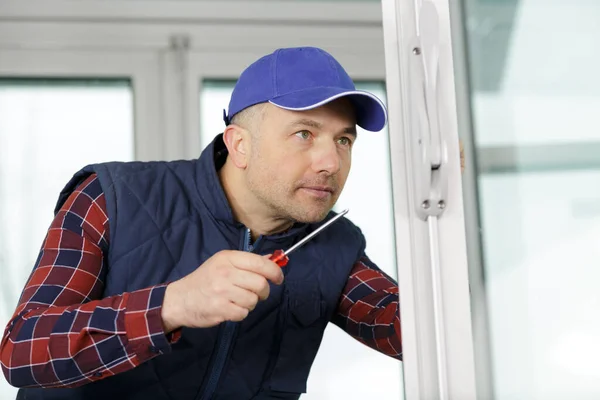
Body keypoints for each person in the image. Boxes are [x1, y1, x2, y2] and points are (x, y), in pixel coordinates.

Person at [1, 46, 401, 400]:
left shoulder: (337, 243)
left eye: (343, 141)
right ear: (239, 145)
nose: (331, 162)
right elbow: (21, 350)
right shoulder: (111, 198)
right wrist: (172, 305)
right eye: (303, 134)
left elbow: (415, 330)